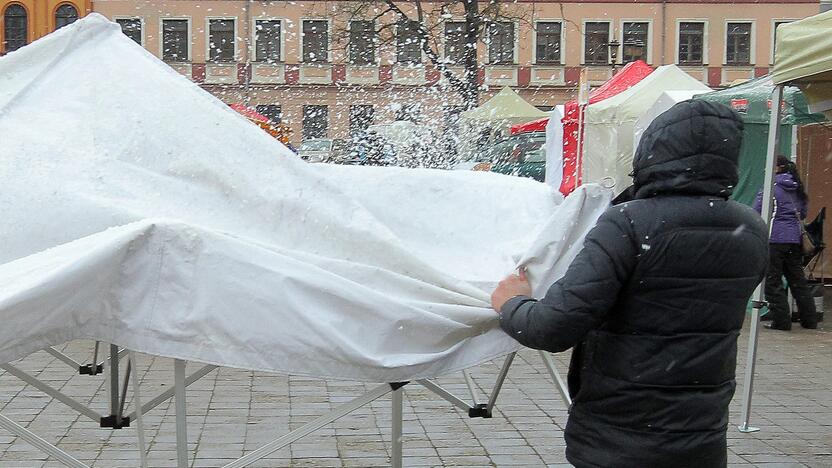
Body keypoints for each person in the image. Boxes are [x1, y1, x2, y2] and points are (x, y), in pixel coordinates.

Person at [491, 100, 768, 468]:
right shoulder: (750, 229)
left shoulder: (629, 223)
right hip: (700, 437)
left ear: (653, 148)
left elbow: (553, 327)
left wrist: (511, 304)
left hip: (620, 438)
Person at [754, 155, 818, 330]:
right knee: (798, 281)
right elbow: (803, 213)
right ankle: (810, 320)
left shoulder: (770, 187)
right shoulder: (798, 188)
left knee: (772, 282)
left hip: (774, 239)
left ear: (777, 168)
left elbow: (757, 210)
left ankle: (781, 321)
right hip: (795, 240)